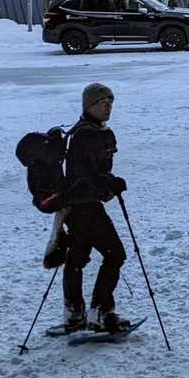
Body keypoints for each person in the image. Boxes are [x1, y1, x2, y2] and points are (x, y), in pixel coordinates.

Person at [59, 82, 130, 334]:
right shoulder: (87, 135)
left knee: (77, 257)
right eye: (103, 103)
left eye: (110, 103)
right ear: (89, 105)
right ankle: (100, 312)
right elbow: (87, 175)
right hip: (85, 207)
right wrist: (110, 184)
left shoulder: (83, 131)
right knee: (115, 255)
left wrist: (108, 183)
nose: (108, 107)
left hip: (75, 208)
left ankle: (74, 313)